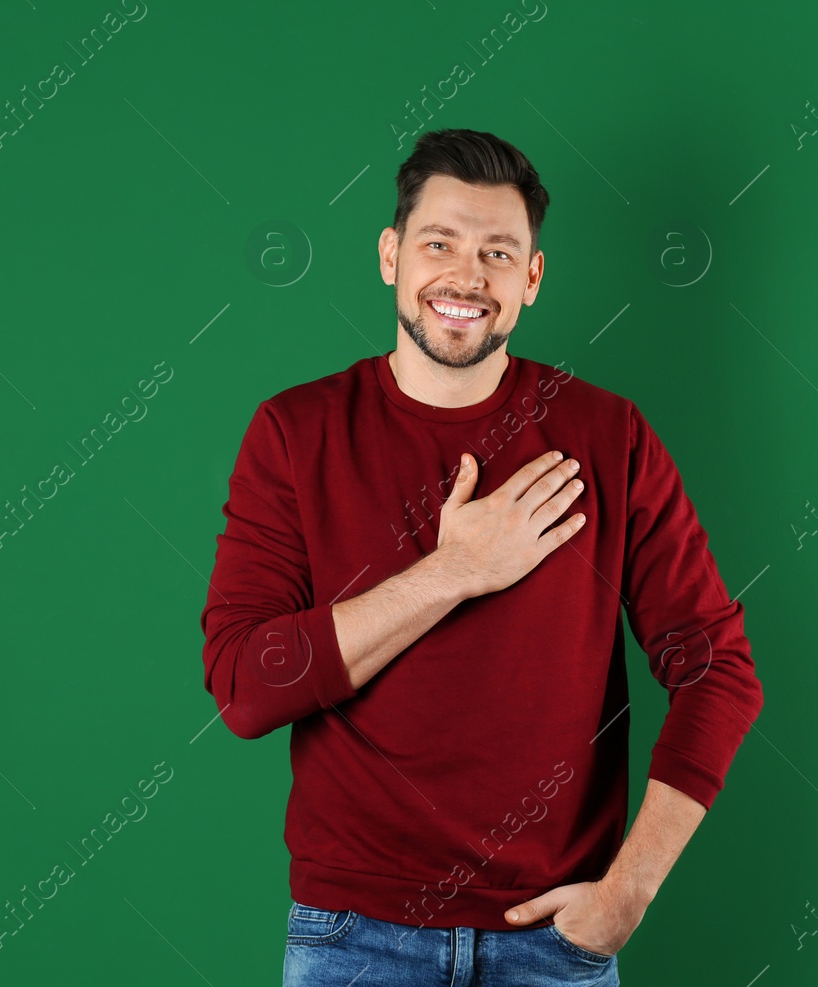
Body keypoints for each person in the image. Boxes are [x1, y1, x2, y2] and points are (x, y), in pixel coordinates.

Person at [200, 127, 764, 986]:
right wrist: (454, 570)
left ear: (531, 279)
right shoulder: (296, 433)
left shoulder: (607, 437)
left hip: (554, 940)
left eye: (498, 253)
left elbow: (718, 668)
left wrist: (629, 892)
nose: (465, 277)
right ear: (391, 256)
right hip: (354, 941)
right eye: (440, 243)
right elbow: (246, 686)